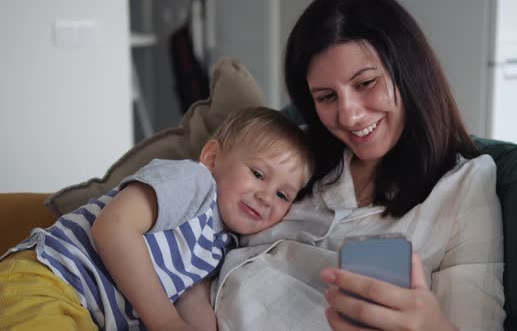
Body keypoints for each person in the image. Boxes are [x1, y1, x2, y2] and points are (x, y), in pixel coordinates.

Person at [207, 0, 504, 330]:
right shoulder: (290, 156)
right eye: (326, 97)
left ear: (407, 73)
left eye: (365, 83)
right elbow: (191, 227)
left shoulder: (463, 186)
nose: (348, 115)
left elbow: (477, 322)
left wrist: (429, 324)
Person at [0, 106, 313, 331]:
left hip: (89, 315)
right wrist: (165, 321)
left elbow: (193, 298)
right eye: (258, 174)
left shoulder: (223, 244)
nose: (265, 197)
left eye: (283, 195)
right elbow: (113, 227)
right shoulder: (193, 181)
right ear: (213, 158)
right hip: (52, 280)